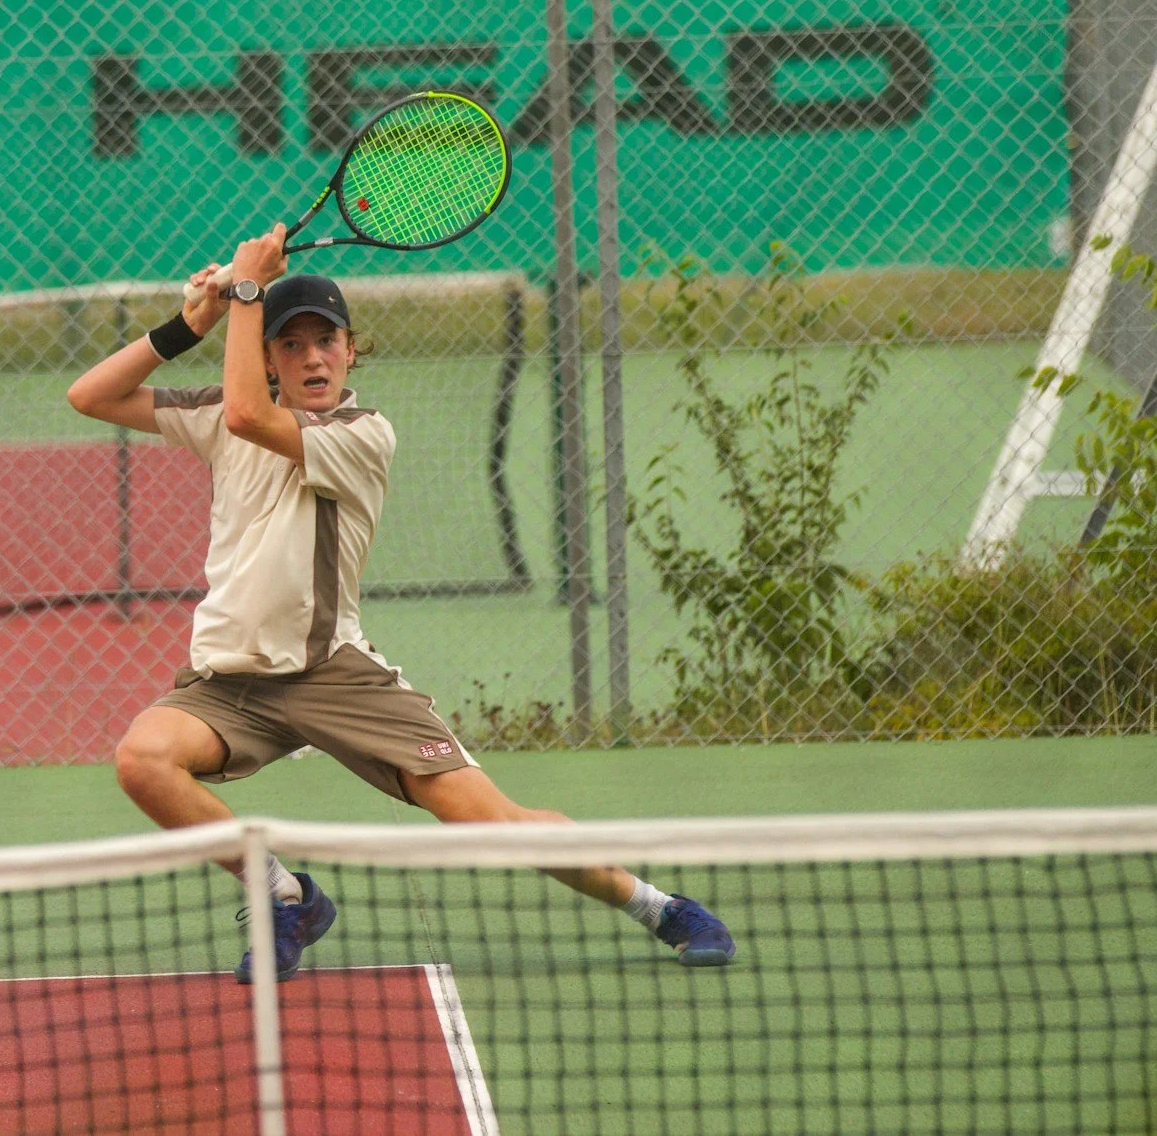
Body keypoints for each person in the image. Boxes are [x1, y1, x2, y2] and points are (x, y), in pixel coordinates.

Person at [66, 223, 736, 982]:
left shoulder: (361, 432)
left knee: (490, 824)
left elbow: (256, 414)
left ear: (353, 351)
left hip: (333, 675)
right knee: (142, 759)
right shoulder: (218, 415)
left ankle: (659, 905)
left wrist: (249, 289)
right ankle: (285, 896)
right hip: (232, 684)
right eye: (293, 344)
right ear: (268, 359)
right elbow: (90, 393)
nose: (314, 355)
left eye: (329, 340)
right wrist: (190, 323)